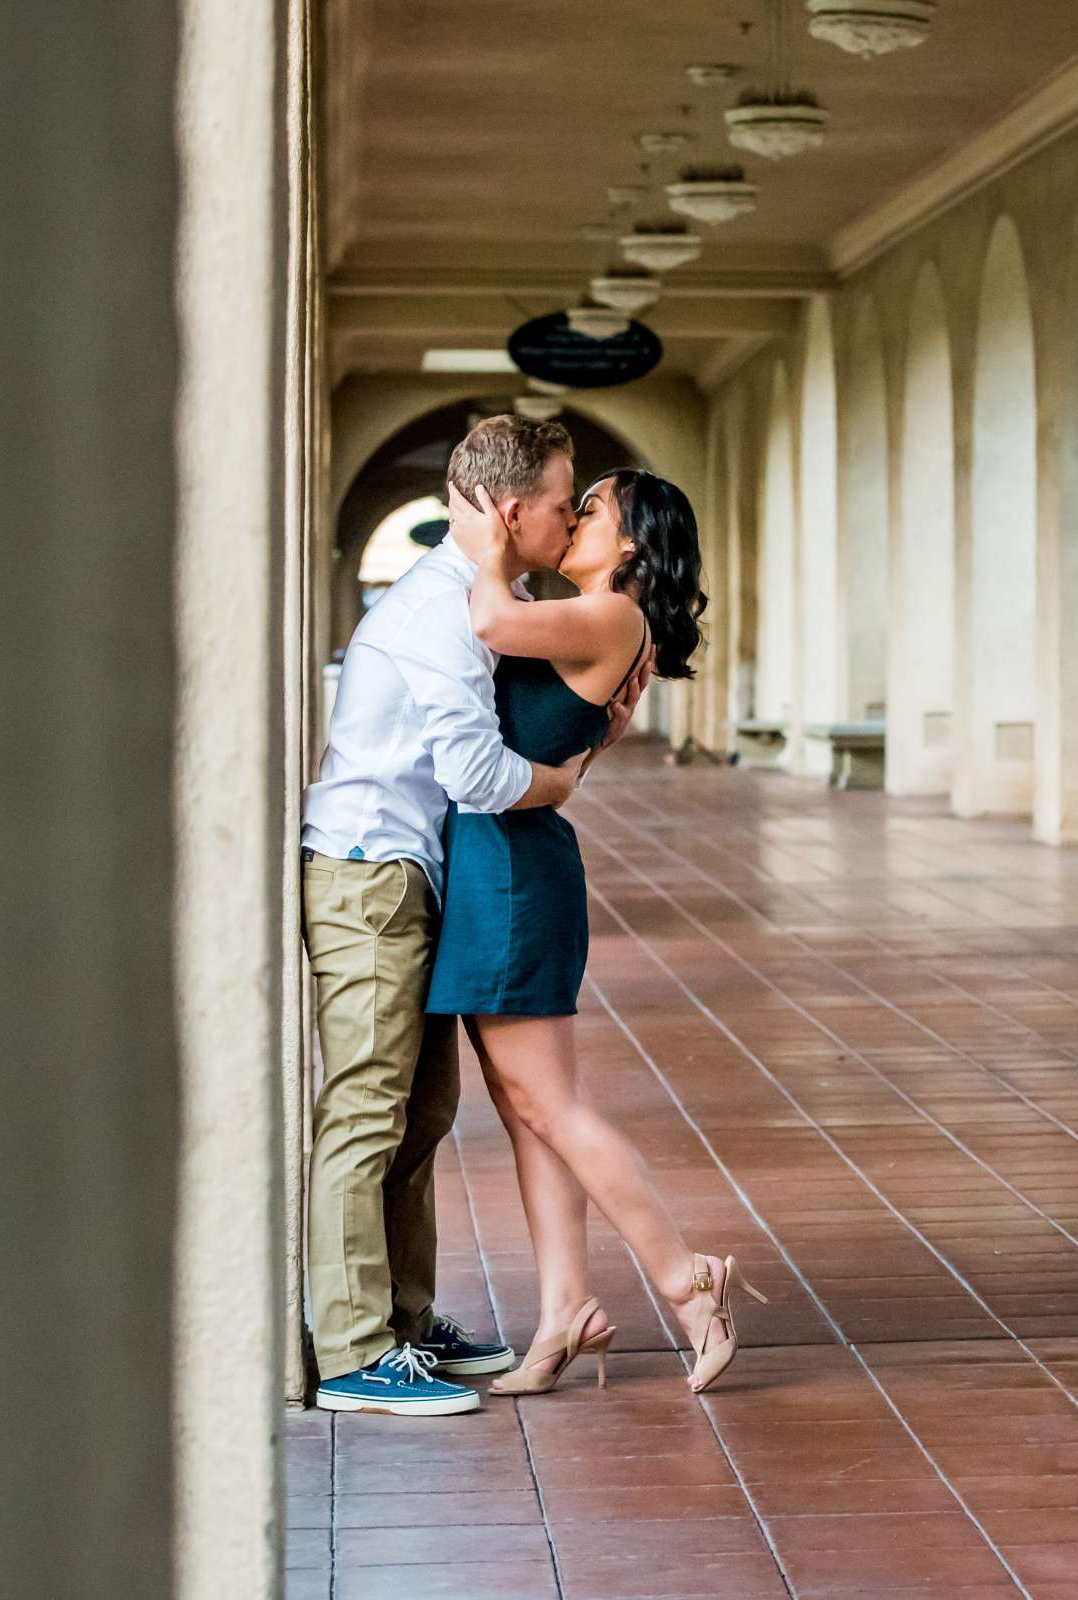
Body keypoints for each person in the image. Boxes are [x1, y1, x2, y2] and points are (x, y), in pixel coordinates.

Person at [299, 414, 644, 1417]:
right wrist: (567, 774)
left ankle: (406, 1321)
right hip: (369, 874)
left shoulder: (491, 601)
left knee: (423, 1112)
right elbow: (479, 774)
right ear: (509, 510)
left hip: (414, 879)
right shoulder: (446, 611)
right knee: (367, 1109)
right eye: (558, 501)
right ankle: (358, 1350)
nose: (569, 514)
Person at [432, 465, 764, 1397]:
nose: (572, 521)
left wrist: (494, 532)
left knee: (551, 1107)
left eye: (591, 510)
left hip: (512, 871)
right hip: (504, 854)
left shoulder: (614, 616)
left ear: (629, 545)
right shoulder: (595, 620)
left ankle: (684, 1276)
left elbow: (487, 621)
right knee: (525, 1110)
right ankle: (567, 1309)